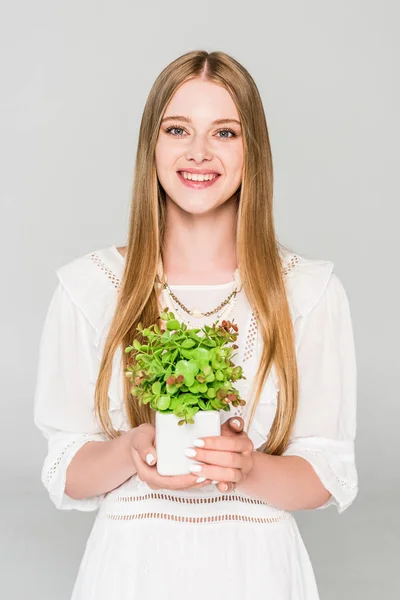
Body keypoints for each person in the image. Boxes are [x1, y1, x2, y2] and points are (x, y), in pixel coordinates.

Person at [33, 49, 358, 599]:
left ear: (252, 149)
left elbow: (327, 473)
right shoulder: (89, 288)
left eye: (225, 133)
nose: (199, 152)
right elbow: (64, 469)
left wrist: (248, 467)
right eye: (178, 128)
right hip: (130, 574)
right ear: (151, 146)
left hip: (257, 574)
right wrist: (132, 448)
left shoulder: (309, 291)